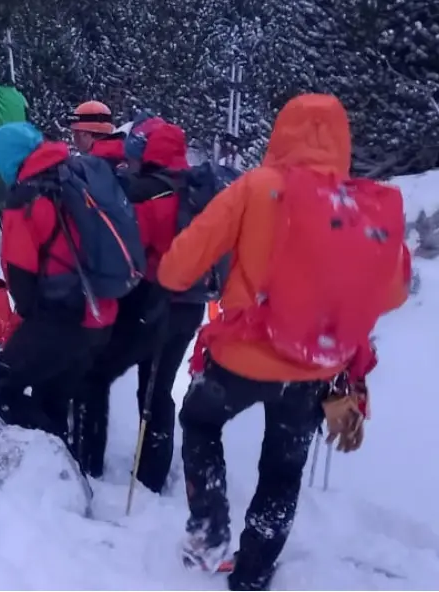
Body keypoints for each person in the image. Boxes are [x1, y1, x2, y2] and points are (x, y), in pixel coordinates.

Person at [155, 94, 410, 590]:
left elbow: (176, 267)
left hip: (243, 355)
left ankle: (209, 527)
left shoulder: (257, 187)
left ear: (281, 134)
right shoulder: (358, 203)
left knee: (199, 421)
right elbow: (395, 292)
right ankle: (253, 573)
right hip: (315, 366)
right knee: (283, 467)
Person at [74, 119, 205, 491]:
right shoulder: (196, 190)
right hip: (190, 305)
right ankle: (152, 476)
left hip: (150, 303)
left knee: (96, 375)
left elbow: (129, 253)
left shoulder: (149, 196)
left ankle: (89, 461)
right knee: (158, 389)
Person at [0, 122, 120, 443]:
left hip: (62, 318)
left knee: (1, 385)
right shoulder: (72, 175)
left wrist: (26, 334)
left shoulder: (24, 200)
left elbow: (22, 283)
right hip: (101, 313)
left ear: (9, 159)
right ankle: (59, 478)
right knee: (51, 396)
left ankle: (46, 462)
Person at [70, 100, 127, 166]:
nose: (74, 140)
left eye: (75, 133)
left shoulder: (89, 167)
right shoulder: (130, 156)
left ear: (83, 134)